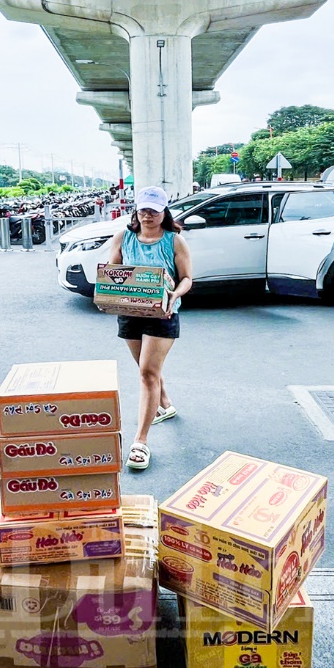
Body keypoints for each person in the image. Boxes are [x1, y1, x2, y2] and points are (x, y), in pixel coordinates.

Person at [107, 186, 192, 470]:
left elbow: (187, 279)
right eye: (143, 210)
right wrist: (107, 293)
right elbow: (112, 273)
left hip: (163, 315)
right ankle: (165, 403)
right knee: (147, 370)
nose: (147, 215)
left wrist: (174, 294)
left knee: (147, 373)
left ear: (164, 212)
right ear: (136, 210)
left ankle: (140, 442)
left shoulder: (174, 242)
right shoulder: (123, 237)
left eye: (154, 211)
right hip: (130, 314)